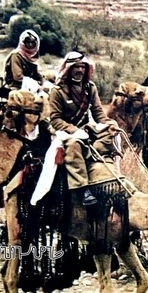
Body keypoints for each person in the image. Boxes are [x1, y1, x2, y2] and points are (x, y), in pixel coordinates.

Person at [48, 52, 108, 205]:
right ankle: (82, 189)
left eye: (83, 67)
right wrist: (74, 131)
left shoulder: (90, 88)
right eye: (76, 67)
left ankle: (105, 179)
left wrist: (109, 125)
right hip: (64, 134)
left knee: (110, 135)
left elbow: (98, 112)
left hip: (86, 130)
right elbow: (55, 119)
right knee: (74, 145)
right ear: (68, 69)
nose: (80, 70)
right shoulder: (58, 91)